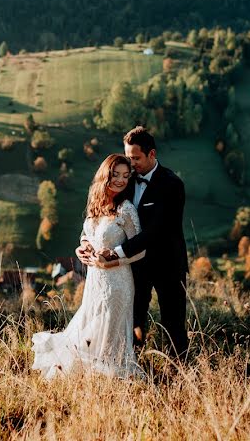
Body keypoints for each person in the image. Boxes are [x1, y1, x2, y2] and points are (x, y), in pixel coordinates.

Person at [77, 126, 189, 357]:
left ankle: (181, 371)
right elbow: (101, 216)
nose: (131, 164)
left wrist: (114, 253)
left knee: (173, 322)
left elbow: (155, 232)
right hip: (134, 267)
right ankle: (131, 363)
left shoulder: (172, 185)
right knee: (133, 319)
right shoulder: (124, 180)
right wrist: (86, 243)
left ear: (152, 154)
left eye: (136, 158)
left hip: (167, 264)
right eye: (128, 158)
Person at [31, 154, 146, 379]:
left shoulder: (127, 209)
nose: (121, 180)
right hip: (94, 282)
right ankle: (91, 384)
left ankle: (112, 386)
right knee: (89, 331)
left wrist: (113, 260)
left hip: (117, 284)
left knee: (108, 339)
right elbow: (87, 234)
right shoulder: (97, 204)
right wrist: (81, 247)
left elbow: (140, 250)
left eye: (125, 175)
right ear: (105, 175)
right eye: (115, 175)